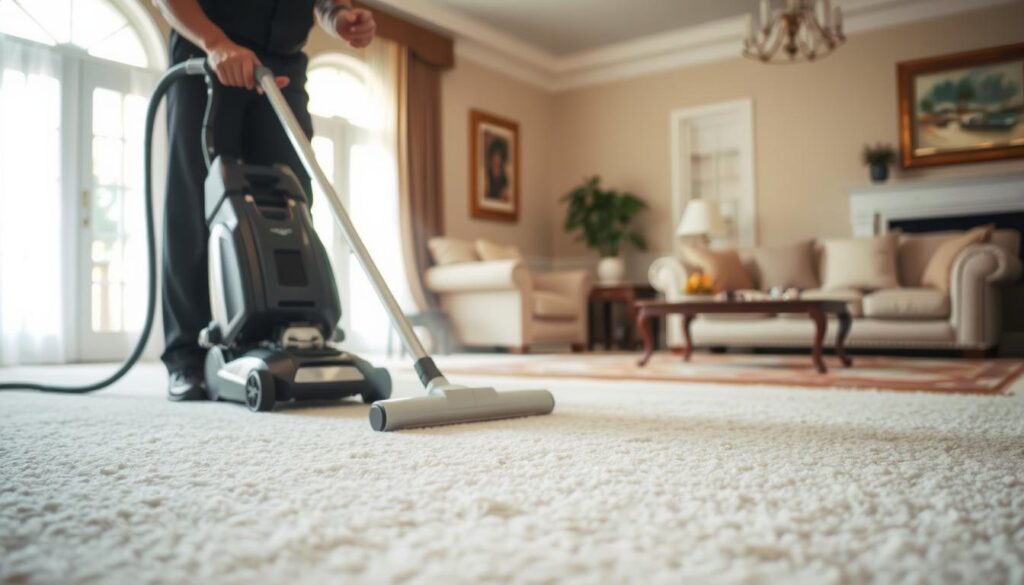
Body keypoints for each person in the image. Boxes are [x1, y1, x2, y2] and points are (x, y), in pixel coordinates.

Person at [152, 0, 376, 401]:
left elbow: (323, 4)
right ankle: (186, 355)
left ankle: (287, 338)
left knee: (290, 200)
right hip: (209, 51)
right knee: (196, 200)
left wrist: (340, 17)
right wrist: (216, 42)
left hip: (282, 66)